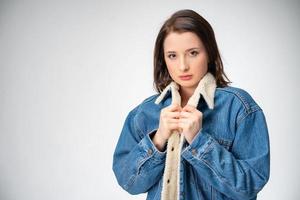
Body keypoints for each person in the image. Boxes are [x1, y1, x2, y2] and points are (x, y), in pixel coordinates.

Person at [112, 9, 270, 200]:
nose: (183, 66)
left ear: (209, 53)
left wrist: (199, 141)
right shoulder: (144, 113)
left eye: (193, 53)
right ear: (163, 59)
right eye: (172, 55)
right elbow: (129, 183)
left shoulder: (239, 107)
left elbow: (249, 186)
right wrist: (159, 138)